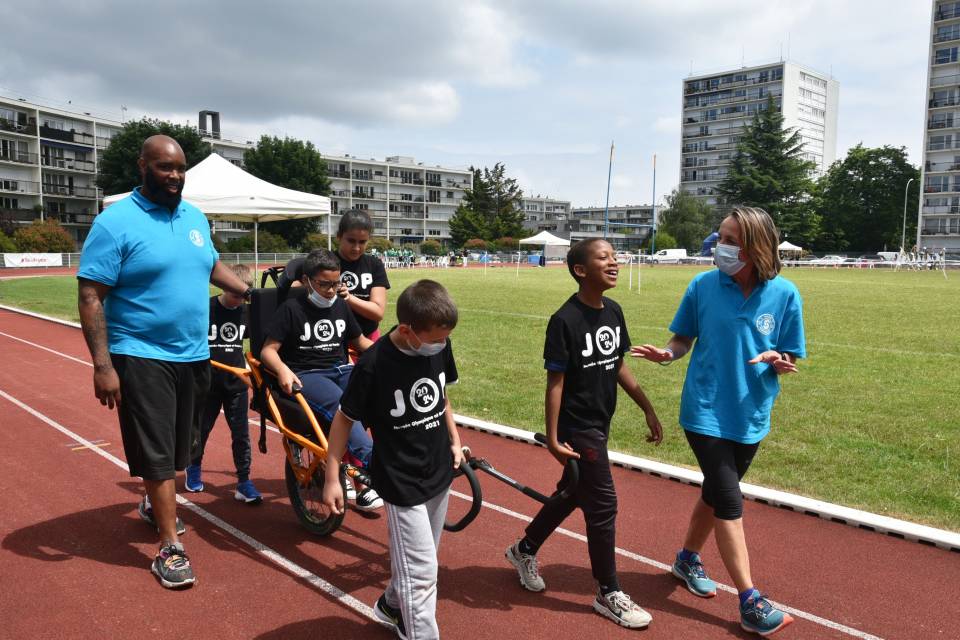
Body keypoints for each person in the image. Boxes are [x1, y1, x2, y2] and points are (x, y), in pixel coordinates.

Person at [77, 135, 253, 589]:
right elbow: (91, 295)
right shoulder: (115, 223)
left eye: (179, 168)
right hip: (140, 354)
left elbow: (211, 264)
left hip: (194, 353)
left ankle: (154, 503)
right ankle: (171, 546)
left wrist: (252, 292)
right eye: (163, 167)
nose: (174, 176)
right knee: (157, 452)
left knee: (183, 449)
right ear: (142, 166)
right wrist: (102, 365)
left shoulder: (194, 216)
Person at [632, 206, 806, 637]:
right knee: (729, 500)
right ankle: (749, 600)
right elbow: (682, 338)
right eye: (720, 237)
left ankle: (687, 559)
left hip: (751, 413)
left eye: (729, 240)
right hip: (704, 411)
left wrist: (778, 359)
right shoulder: (703, 285)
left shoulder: (785, 294)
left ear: (755, 246)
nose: (720, 246)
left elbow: (791, 351)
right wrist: (668, 354)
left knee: (715, 491)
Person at [505, 238, 663, 630]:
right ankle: (608, 592)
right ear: (580, 270)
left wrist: (646, 406)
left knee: (574, 492)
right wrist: (555, 438)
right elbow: (554, 382)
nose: (614, 262)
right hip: (579, 427)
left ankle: (523, 549)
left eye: (614, 257)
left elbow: (618, 363)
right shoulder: (565, 320)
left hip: (601, 422)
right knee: (603, 504)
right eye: (603, 258)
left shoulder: (614, 311)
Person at [322, 280, 462, 640]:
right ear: (406, 330)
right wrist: (332, 477)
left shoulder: (437, 347)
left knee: (424, 559)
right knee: (423, 575)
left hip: (438, 472)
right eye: (434, 339)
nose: (440, 346)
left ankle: (391, 604)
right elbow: (344, 419)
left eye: (444, 339)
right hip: (401, 482)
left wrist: (455, 441)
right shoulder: (373, 365)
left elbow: (442, 396)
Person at [259, 249, 383, 511]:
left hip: (341, 369)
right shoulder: (292, 309)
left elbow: (359, 341)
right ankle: (373, 462)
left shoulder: (340, 305)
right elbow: (267, 350)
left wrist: (391, 356)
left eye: (336, 283)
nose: (330, 290)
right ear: (306, 281)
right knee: (343, 406)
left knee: (378, 396)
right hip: (309, 375)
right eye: (324, 284)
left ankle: (398, 454)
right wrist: (282, 369)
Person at [185, 263, 261, 503]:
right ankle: (194, 467)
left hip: (236, 383)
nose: (239, 300)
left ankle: (244, 481)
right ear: (224, 286)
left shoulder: (247, 313)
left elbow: (259, 342)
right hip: (207, 383)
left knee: (241, 434)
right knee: (202, 429)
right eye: (235, 294)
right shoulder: (204, 308)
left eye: (243, 296)